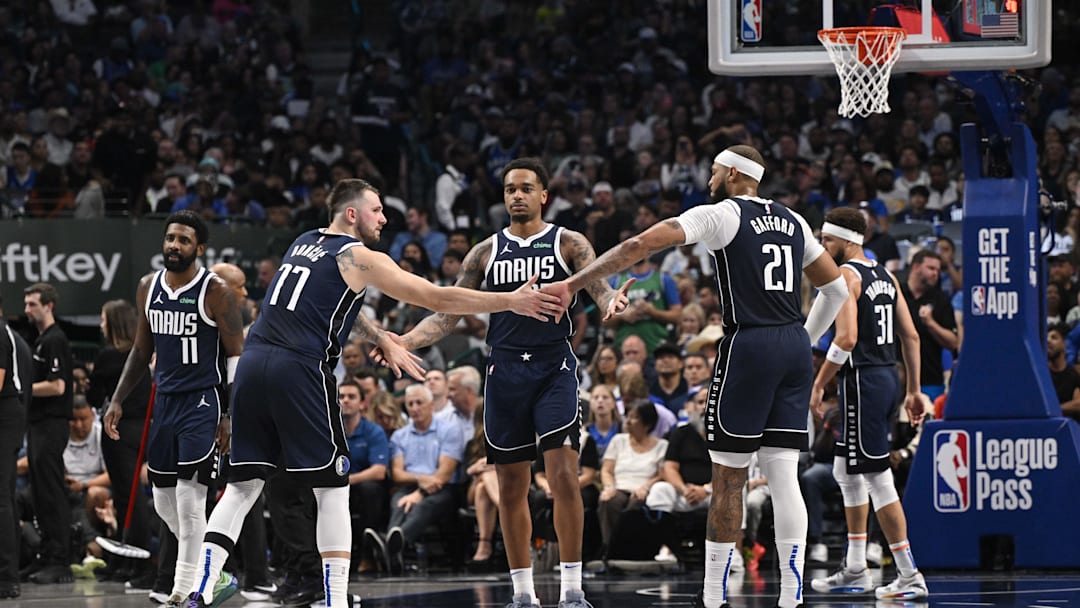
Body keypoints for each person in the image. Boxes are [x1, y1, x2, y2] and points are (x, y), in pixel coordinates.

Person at [184, 178, 561, 608]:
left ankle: (201, 587)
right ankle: (336, 598)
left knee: (242, 486)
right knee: (332, 490)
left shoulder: (304, 242)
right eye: (377, 210)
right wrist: (507, 301)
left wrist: (379, 335)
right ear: (351, 213)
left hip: (253, 365)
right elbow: (434, 294)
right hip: (299, 368)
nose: (383, 218)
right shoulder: (358, 255)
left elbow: (339, 303)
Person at [545, 145, 850, 608]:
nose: (707, 178)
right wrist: (804, 339)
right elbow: (837, 290)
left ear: (730, 173)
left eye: (712, 171)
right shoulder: (794, 220)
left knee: (728, 478)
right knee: (784, 476)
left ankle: (712, 599)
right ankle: (791, 598)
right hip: (791, 348)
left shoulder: (720, 214)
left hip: (748, 345)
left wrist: (575, 281)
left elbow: (637, 245)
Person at [392, 158, 628, 608]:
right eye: (509, 189)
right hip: (504, 373)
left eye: (525, 188)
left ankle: (573, 590)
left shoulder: (568, 241)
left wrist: (611, 301)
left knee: (563, 476)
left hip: (554, 367)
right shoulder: (483, 252)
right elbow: (447, 314)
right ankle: (522, 594)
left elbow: (598, 288)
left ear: (544, 195)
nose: (516, 195)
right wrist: (406, 340)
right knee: (512, 484)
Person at [103, 211, 245, 606]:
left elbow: (236, 357)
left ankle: (183, 591)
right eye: (170, 238)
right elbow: (140, 348)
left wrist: (230, 414)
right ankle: (210, 573)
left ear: (199, 248)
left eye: (183, 240)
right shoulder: (148, 286)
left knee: (189, 498)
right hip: (164, 400)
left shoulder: (217, 291)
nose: (174, 246)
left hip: (203, 400)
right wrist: (117, 398)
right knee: (163, 498)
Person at [809, 207, 929, 599]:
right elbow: (910, 336)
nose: (824, 248)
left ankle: (909, 573)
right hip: (886, 378)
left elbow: (845, 339)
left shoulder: (847, 276)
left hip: (862, 380)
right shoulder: (887, 275)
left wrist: (818, 383)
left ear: (846, 240)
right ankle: (856, 566)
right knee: (846, 471)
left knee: (878, 478)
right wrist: (913, 389)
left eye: (827, 241)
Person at [23, 283, 76, 584]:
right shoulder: (41, 340)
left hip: (52, 423)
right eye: (27, 304)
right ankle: (47, 553)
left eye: (33, 304)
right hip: (38, 423)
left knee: (51, 492)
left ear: (49, 305)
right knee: (40, 492)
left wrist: (21, 390)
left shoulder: (55, 340)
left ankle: (60, 559)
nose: (28, 310)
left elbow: (57, 386)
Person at [0, 294, 31, 598]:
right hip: (11, 414)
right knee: (5, 496)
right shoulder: (9, 333)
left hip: (5, 415)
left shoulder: (0, 331)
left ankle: (7, 576)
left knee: (2, 498)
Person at [901, 250, 958, 401]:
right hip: (898, 378)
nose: (935, 274)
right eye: (931, 268)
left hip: (930, 380)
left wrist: (931, 323)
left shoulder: (940, 300)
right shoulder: (897, 293)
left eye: (938, 270)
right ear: (915, 267)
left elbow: (953, 343)